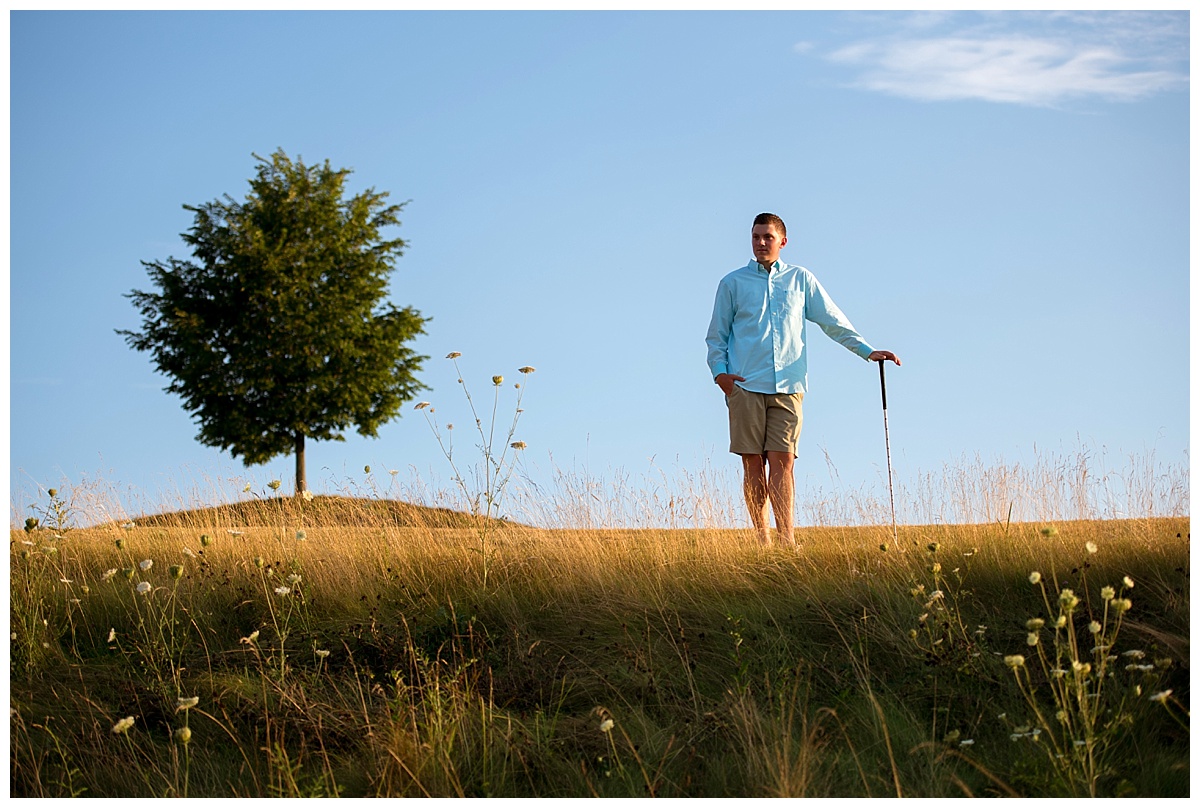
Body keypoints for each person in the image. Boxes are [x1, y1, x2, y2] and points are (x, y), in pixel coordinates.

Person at [705, 213, 900, 546]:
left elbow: (833, 321)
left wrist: (867, 351)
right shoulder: (732, 283)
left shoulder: (801, 280)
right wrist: (721, 376)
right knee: (753, 463)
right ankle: (762, 539)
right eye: (755, 237)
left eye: (768, 237)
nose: (761, 243)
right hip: (744, 386)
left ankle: (787, 539)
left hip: (789, 386)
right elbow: (716, 336)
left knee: (783, 462)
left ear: (783, 241)